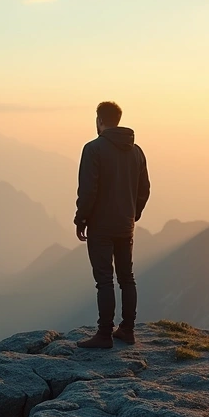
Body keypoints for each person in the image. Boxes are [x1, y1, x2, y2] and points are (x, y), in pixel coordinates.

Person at [74, 101, 150, 348]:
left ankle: (104, 334)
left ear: (99, 121)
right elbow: (144, 190)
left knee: (104, 280)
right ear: (118, 119)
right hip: (125, 225)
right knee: (127, 278)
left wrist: (81, 219)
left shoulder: (93, 149)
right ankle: (127, 330)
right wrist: (133, 214)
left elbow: (88, 190)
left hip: (101, 227)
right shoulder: (136, 151)